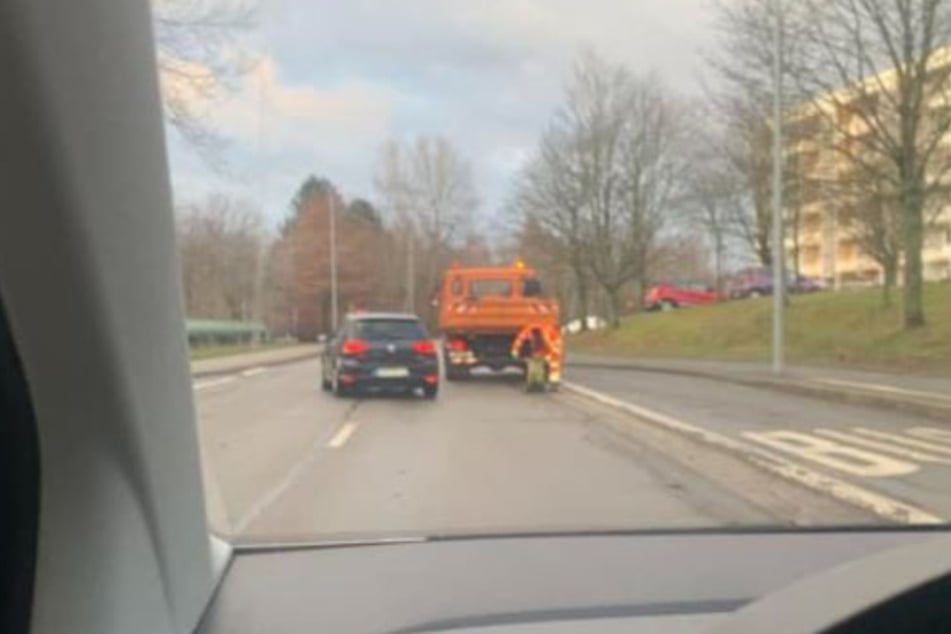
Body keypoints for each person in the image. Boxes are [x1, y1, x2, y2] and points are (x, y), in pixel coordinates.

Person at [511, 322, 561, 392]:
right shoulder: (528, 331)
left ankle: (545, 383)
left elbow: (549, 346)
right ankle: (536, 383)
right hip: (544, 351)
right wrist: (515, 350)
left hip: (550, 351)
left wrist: (546, 355)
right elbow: (520, 340)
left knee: (543, 366)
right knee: (535, 366)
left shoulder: (546, 335)